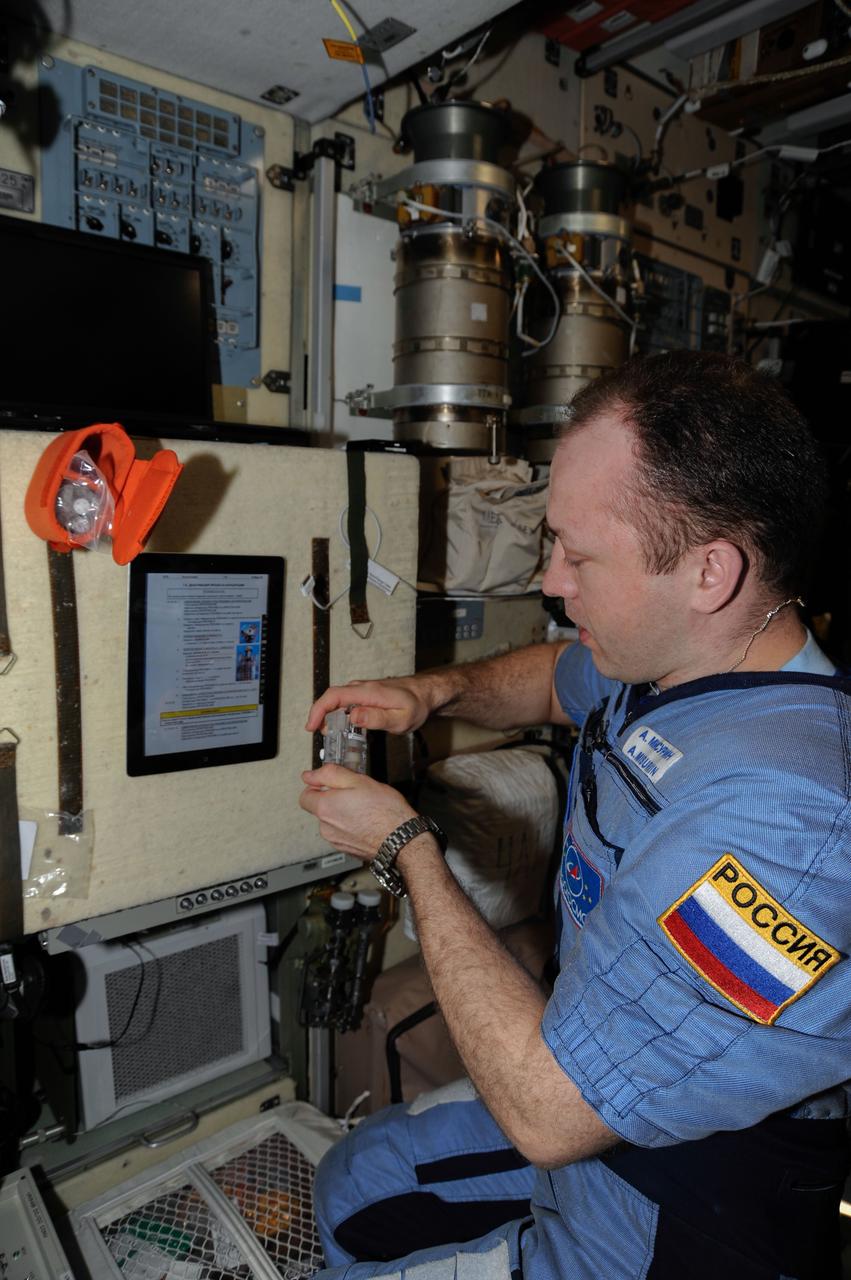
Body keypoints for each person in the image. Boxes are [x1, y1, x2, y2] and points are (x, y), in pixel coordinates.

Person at [300, 351, 851, 1280]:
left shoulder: (785, 827)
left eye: (578, 555)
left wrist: (406, 849)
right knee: (357, 1190)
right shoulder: (680, 657)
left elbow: (552, 1115)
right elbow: (562, 681)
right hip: (582, 1059)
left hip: (685, 1185)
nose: (550, 582)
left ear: (708, 572)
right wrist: (430, 690)